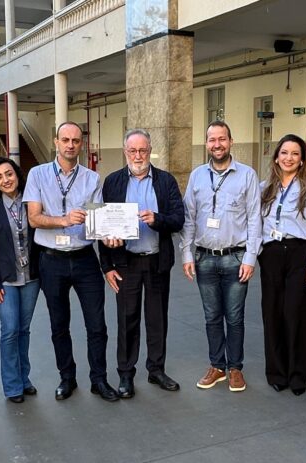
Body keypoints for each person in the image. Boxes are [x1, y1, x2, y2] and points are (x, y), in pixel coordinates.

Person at [24, 121, 119, 402]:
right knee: (59, 324)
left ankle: (98, 380)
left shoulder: (92, 178)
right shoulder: (37, 174)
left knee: (97, 324)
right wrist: (63, 220)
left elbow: (98, 221)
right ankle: (67, 378)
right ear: (56, 142)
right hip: (51, 260)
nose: (70, 145)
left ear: (81, 144)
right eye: (65, 139)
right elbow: (33, 218)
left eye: (76, 140)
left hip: (84, 259)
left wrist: (111, 234)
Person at [99, 128, 185, 398]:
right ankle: (126, 374)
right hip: (126, 263)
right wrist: (107, 266)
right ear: (125, 152)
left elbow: (179, 219)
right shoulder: (112, 182)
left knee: (157, 319)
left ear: (150, 151)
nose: (138, 155)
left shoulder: (165, 181)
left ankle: (156, 369)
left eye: (143, 150)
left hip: (157, 261)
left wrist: (157, 219)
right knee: (127, 320)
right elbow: (102, 228)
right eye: (133, 151)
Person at [179, 120, 262, 393]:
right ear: (206, 144)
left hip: (235, 258)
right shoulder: (197, 176)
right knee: (212, 316)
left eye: (222, 139)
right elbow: (189, 218)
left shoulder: (247, 175)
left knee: (235, 317)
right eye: (212, 140)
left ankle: (235, 368)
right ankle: (217, 366)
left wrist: (250, 258)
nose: (217, 144)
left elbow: (254, 220)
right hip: (204, 258)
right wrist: (187, 254)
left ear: (231, 141)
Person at [257, 134, 306, 396]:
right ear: (276, 157)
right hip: (272, 254)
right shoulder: (266, 187)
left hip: (301, 253)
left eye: (295, 154)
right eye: (284, 153)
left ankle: (298, 375)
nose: (289, 158)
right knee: (272, 313)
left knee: (297, 314)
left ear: (302, 159)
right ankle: (276, 372)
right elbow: (256, 223)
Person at [0, 158, 43, 403]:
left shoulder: (31, 202)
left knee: (24, 330)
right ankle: (12, 386)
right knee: (10, 330)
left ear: (17, 175)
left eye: (9, 174)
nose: (5, 180)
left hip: (31, 278)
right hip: (5, 280)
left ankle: (24, 379)